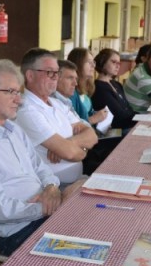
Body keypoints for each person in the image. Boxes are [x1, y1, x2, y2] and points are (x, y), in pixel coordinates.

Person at [0, 59, 61, 256]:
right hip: (19, 233)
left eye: (19, 92)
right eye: (11, 92)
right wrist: (44, 207)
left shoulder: (14, 129)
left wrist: (51, 188)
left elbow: (42, 169)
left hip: (43, 215)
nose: (20, 99)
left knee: (86, 197)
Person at [15, 48, 98, 185]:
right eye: (49, 72)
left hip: (76, 180)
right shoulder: (26, 110)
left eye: (56, 72)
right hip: (52, 188)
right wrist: (81, 148)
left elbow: (92, 135)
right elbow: (71, 154)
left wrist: (71, 143)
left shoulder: (57, 103)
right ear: (30, 76)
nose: (55, 77)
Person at [92, 48, 136, 130]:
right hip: (116, 130)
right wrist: (143, 117)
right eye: (113, 62)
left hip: (127, 125)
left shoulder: (116, 84)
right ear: (102, 62)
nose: (118, 66)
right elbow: (120, 116)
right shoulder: (99, 88)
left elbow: (128, 109)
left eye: (119, 63)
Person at [66, 47, 108, 125]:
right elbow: (72, 125)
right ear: (77, 64)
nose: (93, 66)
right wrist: (93, 119)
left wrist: (100, 116)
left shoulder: (87, 87)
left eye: (93, 62)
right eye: (89, 62)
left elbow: (89, 113)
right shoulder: (70, 92)